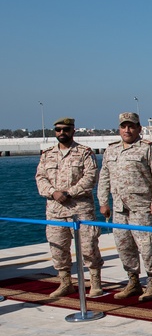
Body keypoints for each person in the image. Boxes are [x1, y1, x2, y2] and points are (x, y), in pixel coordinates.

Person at [98, 112, 152, 302]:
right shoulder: (111, 151)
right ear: (119, 128)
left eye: (131, 126)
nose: (127, 130)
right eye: (123, 126)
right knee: (124, 246)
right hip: (119, 208)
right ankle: (133, 281)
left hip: (142, 207)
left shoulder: (147, 149)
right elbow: (104, 177)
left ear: (139, 128)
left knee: (147, 246)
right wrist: (103, 201)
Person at [35, 117, 104, 297]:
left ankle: (95, 282)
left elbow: (90, 178)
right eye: (58, 130)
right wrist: (53, 192)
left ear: (73, 130)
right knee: (58, 248)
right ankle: (65, 282)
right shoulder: (47, 154)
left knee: (89, 246)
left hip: (80, 209)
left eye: (65, 129)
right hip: (55, 211)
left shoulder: (84, 153)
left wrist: (69, 193)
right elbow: (40, 178)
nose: (61, 133)